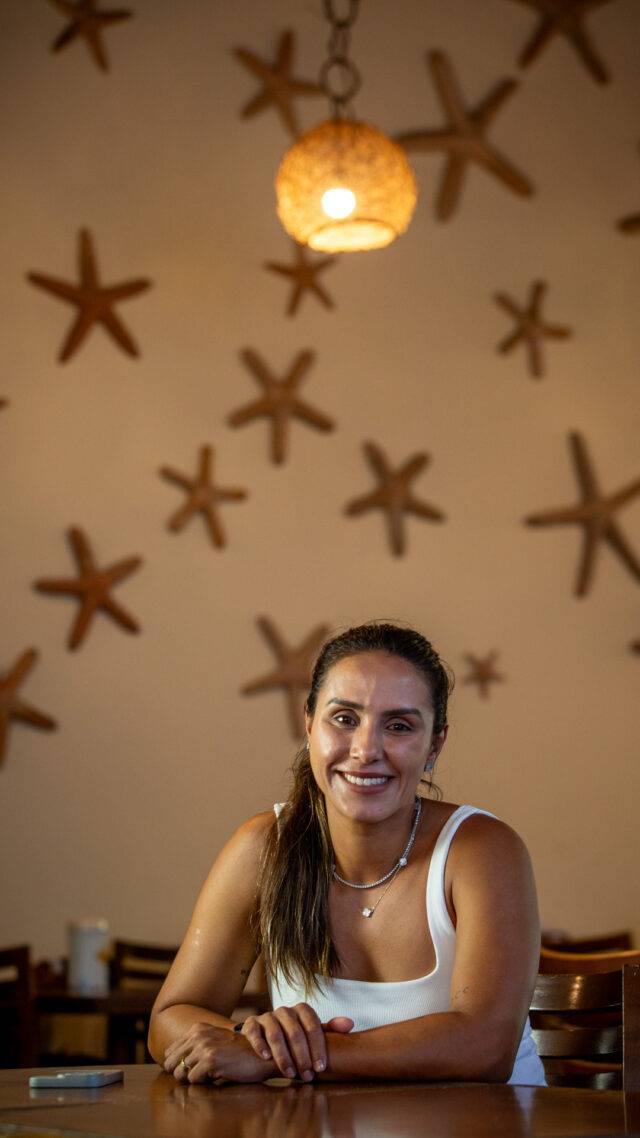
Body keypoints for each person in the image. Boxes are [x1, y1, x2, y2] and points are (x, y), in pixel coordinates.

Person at [148, 621, 545, 1085]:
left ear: (434, 744)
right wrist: (251, 1040)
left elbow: (486, 1046)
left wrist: (279, 1056)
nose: (365, 750)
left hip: (487, 1122)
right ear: (309, 725)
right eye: (344, 719)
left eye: (398, 726)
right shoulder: (264, 847)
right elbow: (170, 1018)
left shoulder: (481, 849)